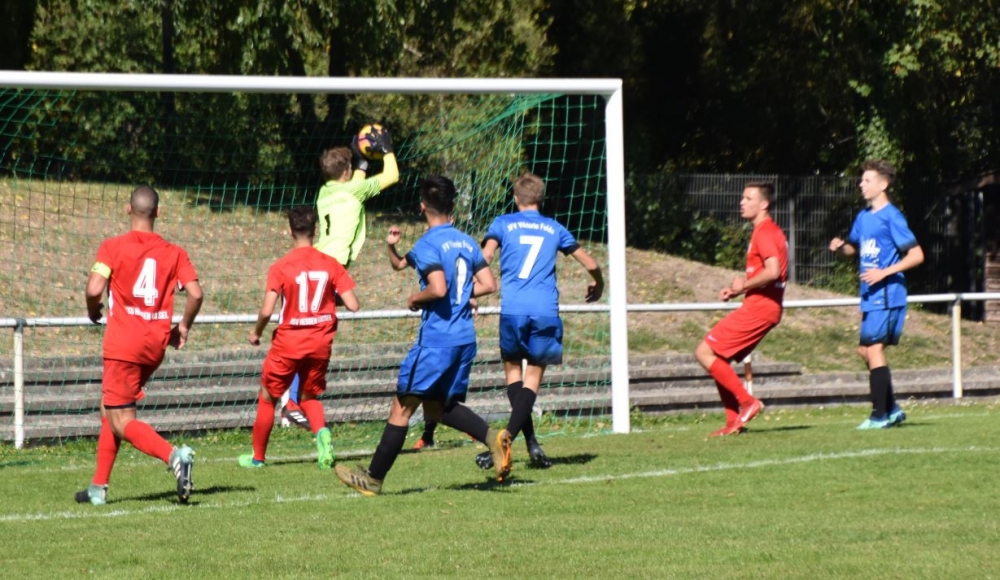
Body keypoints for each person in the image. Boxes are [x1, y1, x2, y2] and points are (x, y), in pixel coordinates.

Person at [334, 175, 509, 496]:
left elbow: (438, 288)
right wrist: (461, 295)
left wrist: (415, 298)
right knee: (437, 408)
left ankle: (373, 478)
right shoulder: (466, 241)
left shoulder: (429, 243)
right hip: (464, 339)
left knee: (402, 406)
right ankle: (491, 438)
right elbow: (489, 284)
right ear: (450, 205)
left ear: (422, 206)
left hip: (437, 341)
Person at [426, 172, 604, 471]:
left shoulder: (502, 223)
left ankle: (515, 441)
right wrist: (599, 284)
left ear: (516, 198)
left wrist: (468, 291)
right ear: (540, 198)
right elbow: (591, 262)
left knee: (513, 375)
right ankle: (523, 441)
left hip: (513, 310)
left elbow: (484, 257)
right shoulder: (554, 227)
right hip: (545, 311)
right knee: (531, 380)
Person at [75, 185, 204, 506]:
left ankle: (174, 457)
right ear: (158, 212)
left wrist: (93, 310)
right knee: (111, 408)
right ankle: (98, 487)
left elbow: (93, 289)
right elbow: (196, 293)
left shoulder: (112, 247)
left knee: (120, 419)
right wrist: (183, 326)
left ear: (128, 209)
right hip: (154, 346)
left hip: (123, 344)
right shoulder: (175, 252)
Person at [281, 126, 398, 429]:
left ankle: (294, 399)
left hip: (316, 262)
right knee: (311, 335)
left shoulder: (326, 191)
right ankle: (292, 401)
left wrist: (361, 161)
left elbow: (354, 184)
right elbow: (392, 176)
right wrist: (386, 151)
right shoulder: (353, 190)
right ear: (346, 172)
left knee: (308, 329)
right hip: (331, 268)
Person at [239, 206, 360, 468]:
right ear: (316, 230)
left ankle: (258, 458)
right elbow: (353, 304)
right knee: (309, 397)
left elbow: (267, 310)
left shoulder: (281, 266)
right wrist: (328, 298)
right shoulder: (331, 264)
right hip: (320, 342)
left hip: (289, 343)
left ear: (290, 231)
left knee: (267, 397)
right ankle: (322, 433)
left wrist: (256, 332)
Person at [829, 159, 924, 429]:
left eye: (867, 180)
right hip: (870, 294)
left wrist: (884, 272)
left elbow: (916, 255)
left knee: (874, 349)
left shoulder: (892, 217)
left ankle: (878, 415)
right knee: (865, 350)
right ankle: (892, 409)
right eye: (862, 180)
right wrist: (840, 247)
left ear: (883, 185)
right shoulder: (864, 217)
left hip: (888, 292)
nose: (861, 184)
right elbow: (853, 249)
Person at [694, 182, 787, 437]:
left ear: (763, 204)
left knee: (704, 352)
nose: (741, 202)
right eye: (742, 198)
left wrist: (743, 286)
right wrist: (738, 290)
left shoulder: (765, 232)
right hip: (763, 306)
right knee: (718, 359)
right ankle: (733, 421)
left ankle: (748, 402)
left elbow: (773, 272)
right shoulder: (769, 231)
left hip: (760, 308)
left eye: (748, 198)